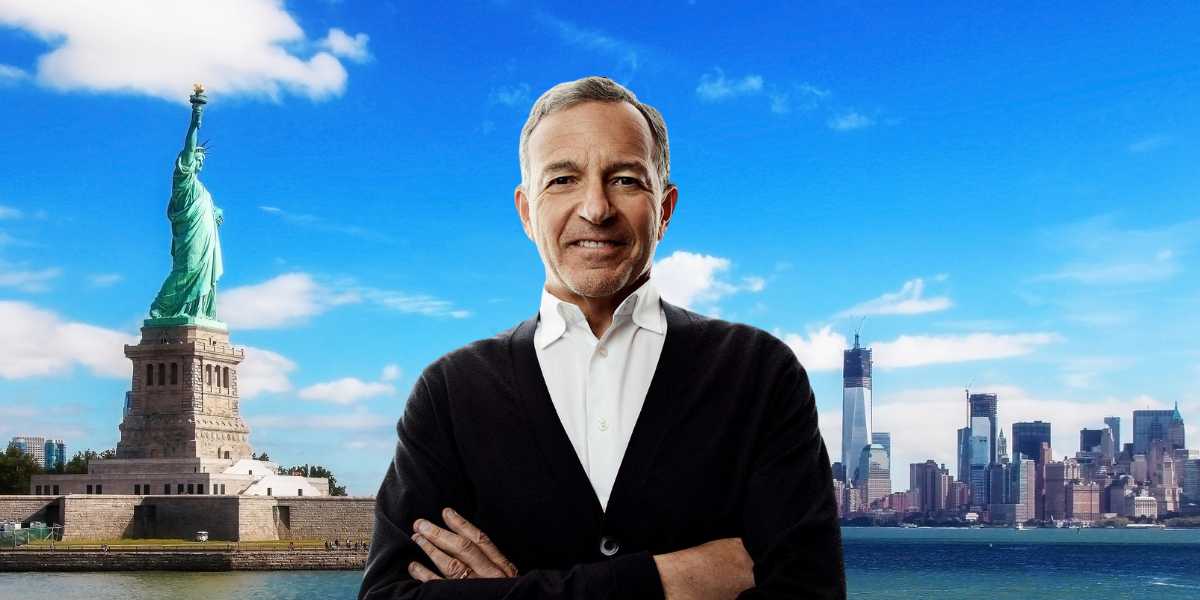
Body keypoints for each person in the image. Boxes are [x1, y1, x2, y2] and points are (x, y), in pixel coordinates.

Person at [360, 76, 844, 599]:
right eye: (563, 180)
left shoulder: (759, 373)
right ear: (526, 211)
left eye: (627, 180)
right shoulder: (448, 392)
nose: (596, 207)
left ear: (665, 210)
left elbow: (808, 592)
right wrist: (662, 582)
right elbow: (389, 595)